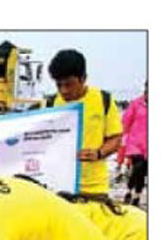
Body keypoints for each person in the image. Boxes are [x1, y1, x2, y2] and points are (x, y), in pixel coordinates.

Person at [47, 49, 122, 197]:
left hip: (94, 188)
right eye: (58, 85)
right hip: (58, 187)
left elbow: (116, 138)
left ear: (83, 78)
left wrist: (99, 153)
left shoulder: (103, 99)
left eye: (68, 84)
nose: (63, 91)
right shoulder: (50, 104)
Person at [118, 84, 147, 204]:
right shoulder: (135, 104)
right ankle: (129, 189)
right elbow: (125, 122)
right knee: (138, 168)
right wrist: (123, 143)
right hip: (135, 143)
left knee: (143, 172)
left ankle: (137, 195)